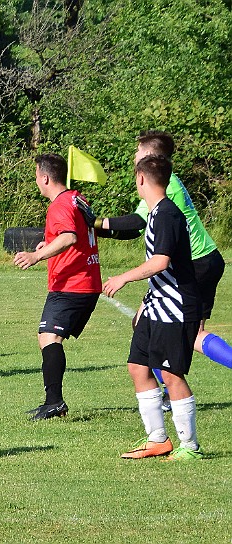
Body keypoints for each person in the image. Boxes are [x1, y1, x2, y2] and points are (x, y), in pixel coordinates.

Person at [95, 130, 232, 405]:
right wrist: (94, 227)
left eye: (137, 150)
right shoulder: (163, 182)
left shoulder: (164, 187)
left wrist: (93, 223)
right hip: (203, 261)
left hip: (194, 265)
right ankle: (171, 392)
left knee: (172, 330)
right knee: (172, 330)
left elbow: (135, 223)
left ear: (148, 155)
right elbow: (137, 227)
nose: (134, 155)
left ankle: (171, 393)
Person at [102, 154, 202, 461]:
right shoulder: (156, 213)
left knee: (171, 374)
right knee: (138, 367)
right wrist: (146, 303)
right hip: (157, 303)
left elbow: (161, 261)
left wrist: (123, 277)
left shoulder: (168, 214)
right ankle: (158, 439)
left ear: (141, 179)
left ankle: (190, 447)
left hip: (176, 306)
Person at [13, 154, 102, 420]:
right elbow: (70, 234)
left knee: (49, 337)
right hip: (83, 281)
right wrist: (47, 243)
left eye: (37, 177)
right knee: (48, 338)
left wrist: (36, 256)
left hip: (73, 284)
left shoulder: (59, 205)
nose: (36, 182)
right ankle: (53, 401)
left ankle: (54, 402)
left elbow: (69, 236)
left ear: (45, 178)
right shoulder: (76, 198)